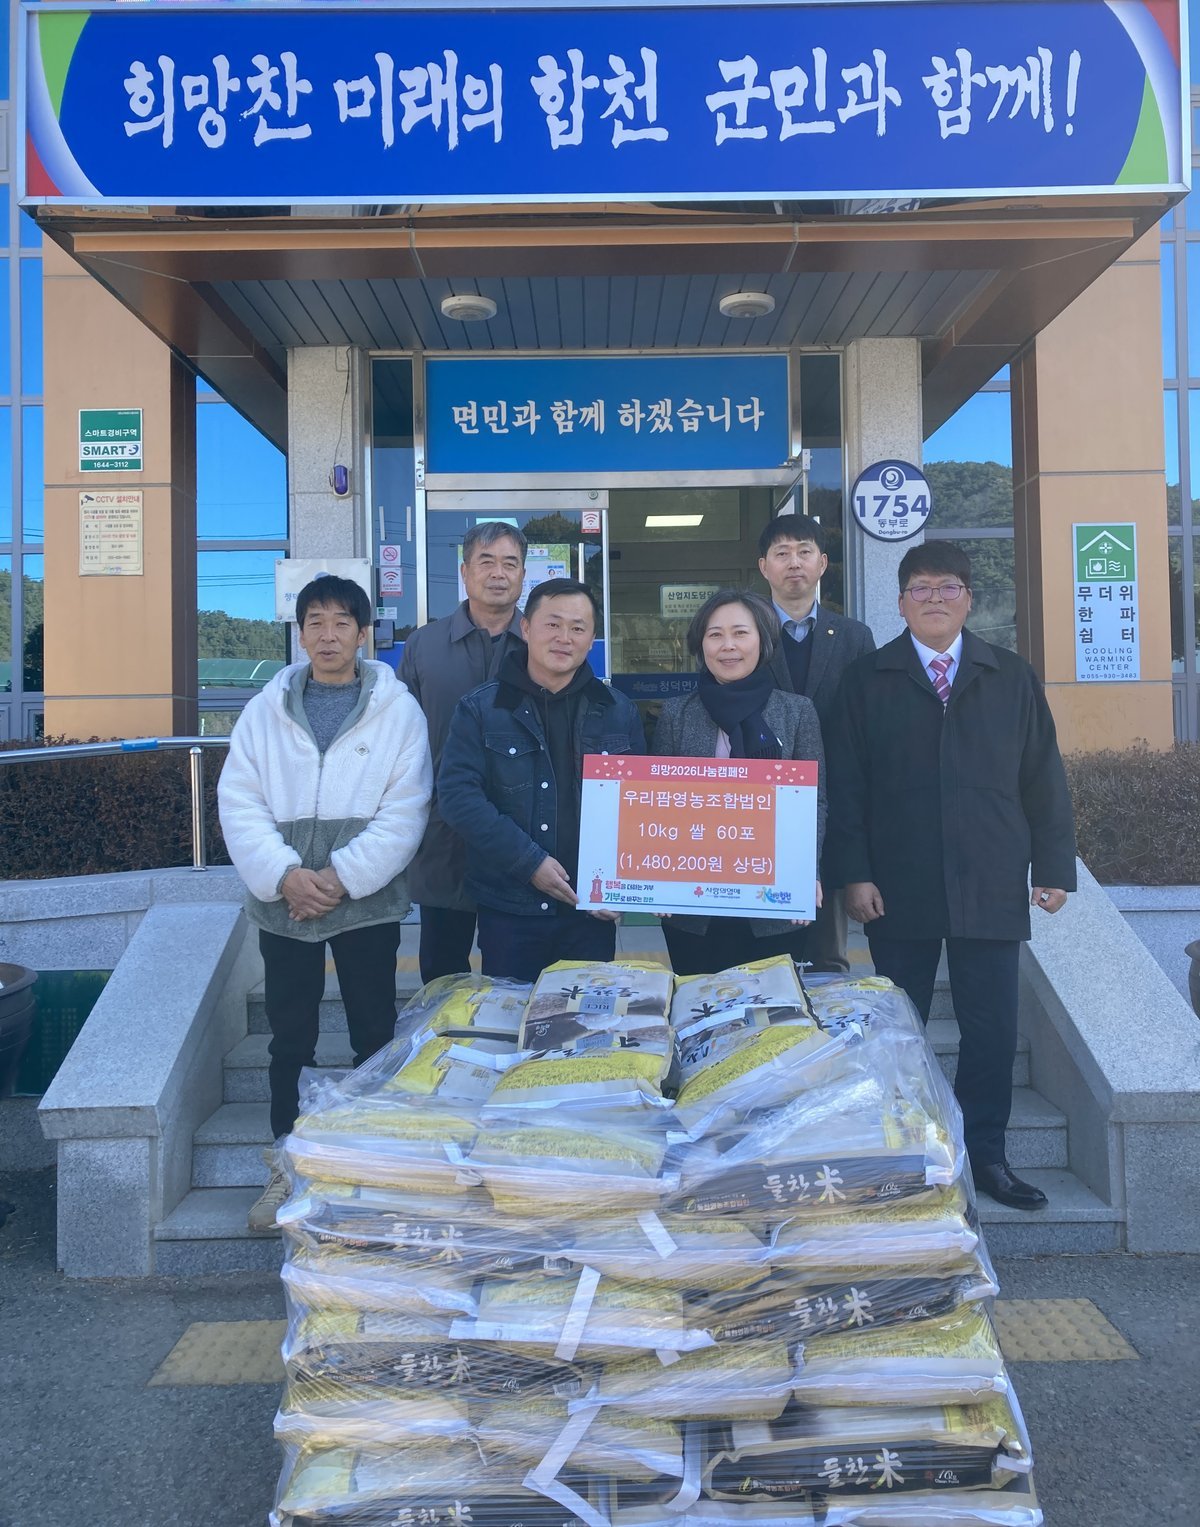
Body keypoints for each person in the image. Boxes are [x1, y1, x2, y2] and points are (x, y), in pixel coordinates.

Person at [824, 542, 1076, 1211]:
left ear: (968, 598)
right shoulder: (867, 679)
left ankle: (985, 1154)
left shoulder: (1010, 676)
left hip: (990, 878)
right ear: (901, 602)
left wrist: (1053, 867)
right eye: (921, 588)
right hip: (896, 883)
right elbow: (846, 787)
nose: (934, 598)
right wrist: (853, 874)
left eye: (948, 587)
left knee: (990, 1031)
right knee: (898, 1027)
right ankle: (906, 1150)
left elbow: (1043, 776)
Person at [218, 574, 432, 1232]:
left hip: (365, 903)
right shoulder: (265, 710)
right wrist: (285, 874)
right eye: (316, 622)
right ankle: (286, 1164)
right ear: (301, 632)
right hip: (284, 905)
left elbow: (406, 808)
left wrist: (341, 876)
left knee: (374, 1034)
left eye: (343, 622)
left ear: (363, 633)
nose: (329, 634)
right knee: (290, 1039)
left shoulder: (398, 711)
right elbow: (239, 799)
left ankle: (371, 1163)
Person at [437, 577, 645, 982]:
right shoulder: (481, 708)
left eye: (578, 628)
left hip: (589, 910)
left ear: (592, 639)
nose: (564, 638)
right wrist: (528, 862)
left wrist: (625, 886)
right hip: (510, 908)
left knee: (583, 1018)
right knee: (512, 1015)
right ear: (526, 628)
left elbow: (638, 806)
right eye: (553, 624)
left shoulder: (618, 711)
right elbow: (459, 797)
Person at [653, 589, 826, 976]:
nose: (728, 646)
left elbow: (814, 802)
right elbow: (660, 804)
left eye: (740, 633)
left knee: (770, 1008)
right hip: (693, 905)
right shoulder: (677, 714)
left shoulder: (797, 712)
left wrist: (807, 871)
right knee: (697, 1003)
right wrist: (659, 881)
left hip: (774, 900)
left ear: (763, 641)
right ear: (701, 645)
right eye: (715, 635)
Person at [400, 521, 528, 983]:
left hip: (522, 833)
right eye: (486, 562)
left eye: (510, 563)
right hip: (444, 833)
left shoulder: (542, 642)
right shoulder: (424, 645)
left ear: (523, 574)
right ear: (464, 571)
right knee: (440, 976)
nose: (498, 573)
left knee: (514, 977)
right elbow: (403, 740)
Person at [759, 513, 874, 973]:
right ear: (764, 566)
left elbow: (868, 724)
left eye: (804, 552)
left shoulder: (853, 637)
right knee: (764, 955)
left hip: (834, 801)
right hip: (759, 806)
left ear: (822, 563)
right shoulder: (742, 633)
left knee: (827, 952)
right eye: (782, 553)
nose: (794, 563)